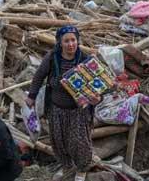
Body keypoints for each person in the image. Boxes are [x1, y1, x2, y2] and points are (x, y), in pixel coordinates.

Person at [25, 25, 94, 181]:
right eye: (66, 41)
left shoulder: (85, 59)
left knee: (79, 142)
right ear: (59, 43)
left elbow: (97, 86)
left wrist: (96, 99)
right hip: (56, 109)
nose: (71, 44)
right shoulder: (53, 58)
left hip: (78, 111)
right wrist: (32, 96)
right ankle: (67, 166)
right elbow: (38, 76)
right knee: (58, 141)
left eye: (73, 40)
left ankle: (82, 169)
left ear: (78, 41)